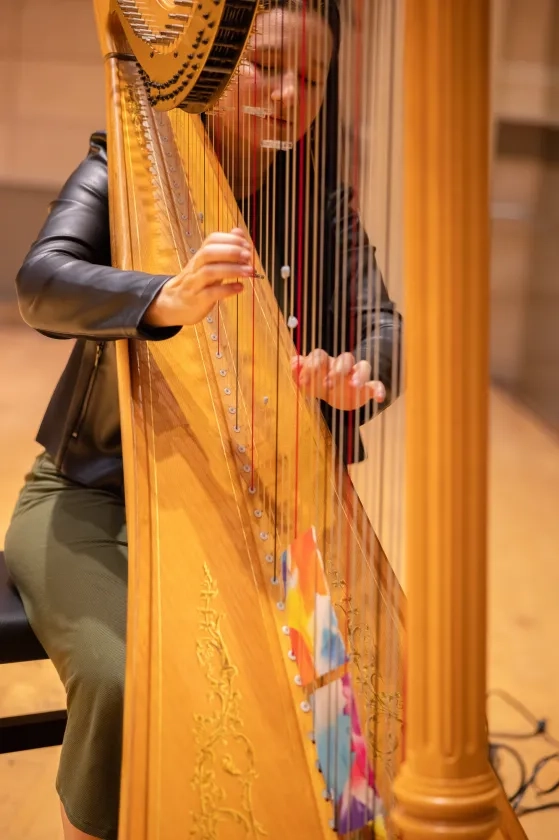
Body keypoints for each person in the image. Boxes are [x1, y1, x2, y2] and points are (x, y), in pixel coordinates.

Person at [4, 2, 401, 838]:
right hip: (89, 503)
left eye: (312, 78)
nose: (288, 94)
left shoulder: (315, 200)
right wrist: (160, 295)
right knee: (119, 680)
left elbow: (382, 325)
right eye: (267, 66)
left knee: (342, 696)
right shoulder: (126, 162)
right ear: (213, 69)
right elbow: (41, 280)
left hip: (255, 508)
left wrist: (357, 373)